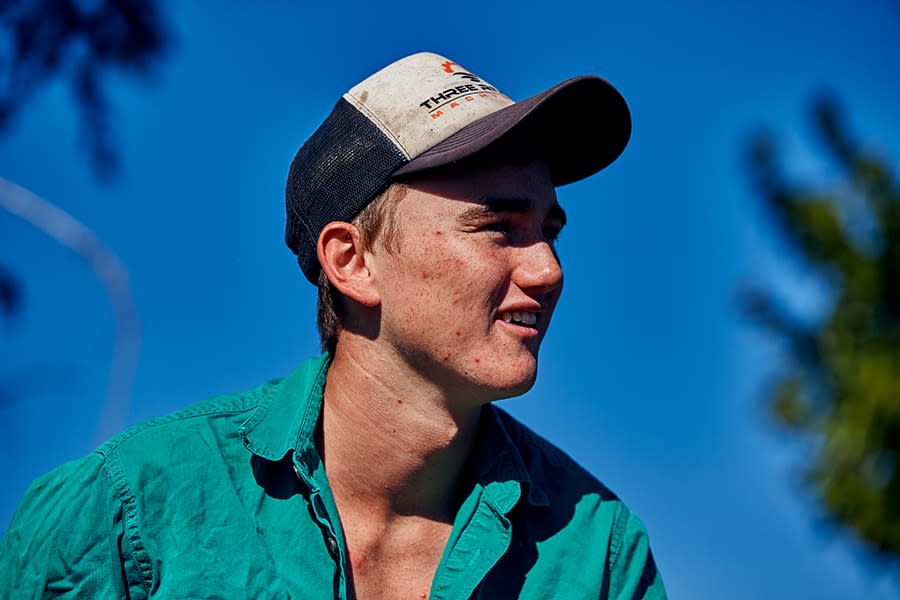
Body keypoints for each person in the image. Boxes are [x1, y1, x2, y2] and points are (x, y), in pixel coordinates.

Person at [0, 52, 665, 599]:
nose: (548, 270)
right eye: (499, 227)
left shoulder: (597, 554)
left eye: (549, 232)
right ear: (352, 262)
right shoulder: (129, 513)